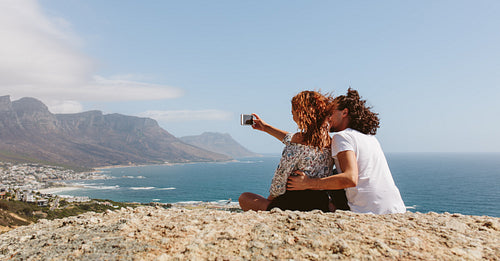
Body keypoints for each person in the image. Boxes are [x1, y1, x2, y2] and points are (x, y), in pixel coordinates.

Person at [287, 88, 406, 214]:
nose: (327, 118)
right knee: (333, 173)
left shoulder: (342, 137)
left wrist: (308, 183)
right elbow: (301, 140)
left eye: (330, 113)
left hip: (369, 211)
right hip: (396, 208)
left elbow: (350, 178)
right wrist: (267, 128)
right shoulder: (369, 138)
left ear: (344, 112)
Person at [238, 91, 335, 212]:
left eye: (293, 113)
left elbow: (281, 177)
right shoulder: (331, 142)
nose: (293, 117)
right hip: (321, 202)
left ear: (301, 114)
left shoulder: (298, 142)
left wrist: (271, 200)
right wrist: (265, 127)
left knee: (245, 197)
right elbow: (290, 138)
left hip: (292, 203)